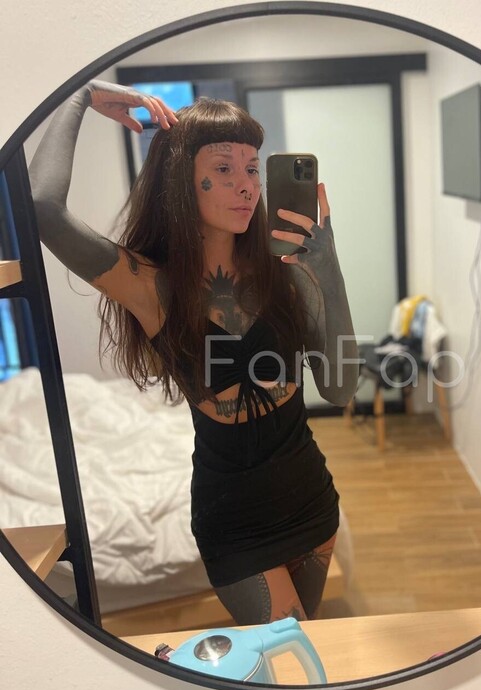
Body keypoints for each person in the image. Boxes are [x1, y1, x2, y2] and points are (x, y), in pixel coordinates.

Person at [28, 80, 359, 626]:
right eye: (224, 168)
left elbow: (341, 388)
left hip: (312, 502)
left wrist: (328, 269)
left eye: (252, 169)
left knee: (306, 649)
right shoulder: (153, 287)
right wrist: (78, 95)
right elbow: (42, 208)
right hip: (235, 524)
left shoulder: (283, 273)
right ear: (183, 179)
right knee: (290, 654)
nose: (246, 185)